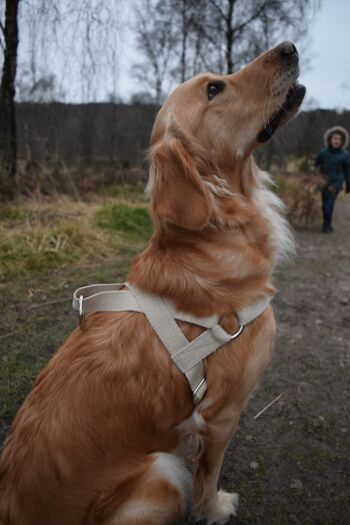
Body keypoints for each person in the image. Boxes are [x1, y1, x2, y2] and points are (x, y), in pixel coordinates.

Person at [315, 126, 350, 233]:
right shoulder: (322, 153)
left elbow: (348, 170)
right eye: (335, 138)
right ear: (330, 139)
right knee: (324, 204)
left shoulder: (345, 155)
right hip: (324, 183)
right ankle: (327, 224)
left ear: (342, 141)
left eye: (339, 139)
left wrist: (348, 184)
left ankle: (326, 225)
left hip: (336, 184)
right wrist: (316, 179)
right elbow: (317, 166)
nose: (336, 141)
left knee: (328, 205)